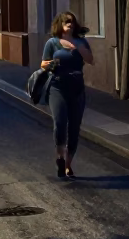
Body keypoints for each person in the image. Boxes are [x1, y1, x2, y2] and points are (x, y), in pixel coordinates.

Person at [40, 11, 94, 178]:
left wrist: (77, 47)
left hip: (77, 88)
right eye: (66, 21)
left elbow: (91, 60)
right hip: (58, 87)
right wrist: (50, 65)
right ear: (60, 24)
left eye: (72, 21)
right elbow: (43, 64)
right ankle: (60, 157)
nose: (69, 24)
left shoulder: (80, 41)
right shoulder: (52, 43)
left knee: (75, 127)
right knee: (60, 124)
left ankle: (68, 165)